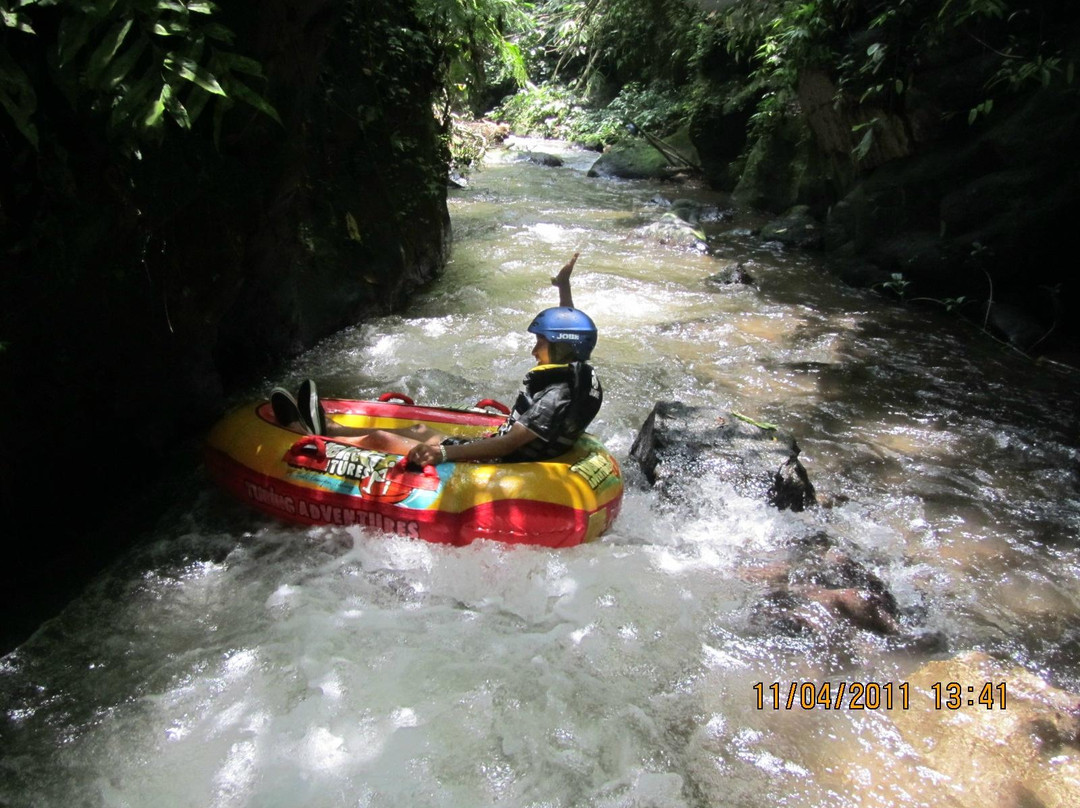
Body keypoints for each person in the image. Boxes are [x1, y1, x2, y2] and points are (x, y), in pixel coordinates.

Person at [270, 253, 603, 466]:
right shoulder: (579, 369)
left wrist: (443, 453)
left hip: (498, 466)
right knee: (416, 427)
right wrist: (564, 287)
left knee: (381, 442)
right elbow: (571, 329)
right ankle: (330, 426)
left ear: (561, 347)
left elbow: (509, 444)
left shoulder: (555, 396)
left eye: (540, 343)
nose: (534, 351)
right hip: (500, 451)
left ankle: (306, 435)